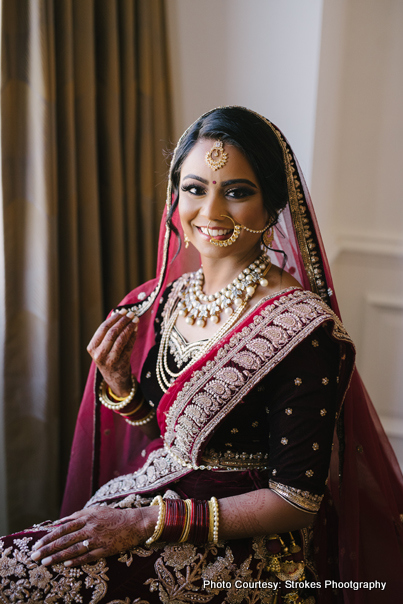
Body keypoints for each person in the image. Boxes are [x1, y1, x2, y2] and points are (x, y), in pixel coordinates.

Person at [1, 107, 402, 604]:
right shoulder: (167, 299)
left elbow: (296, 501)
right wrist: (122, 384)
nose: (210, 213)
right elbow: (174, 435)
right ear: (175, 197)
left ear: (273, 205)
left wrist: (146, 522)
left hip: (236, 549)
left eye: (237, 192)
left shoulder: (305, 331)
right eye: (194, 189)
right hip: (142, 505)